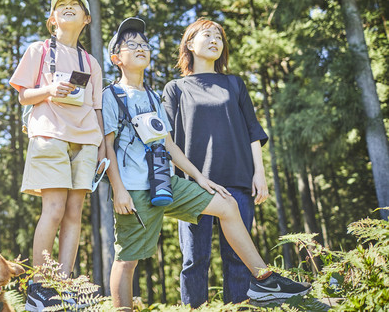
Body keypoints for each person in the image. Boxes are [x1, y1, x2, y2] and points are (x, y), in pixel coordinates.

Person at [103, 17, 310, 311]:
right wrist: (119, 190)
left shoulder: (155, 95)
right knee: (137, 258)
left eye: (144, 45)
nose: (141, 48)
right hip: (139, 187)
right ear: (116, 58)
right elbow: (108, 147)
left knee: (230, 216)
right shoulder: (123, 94)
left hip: (188, 182)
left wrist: (201, 177)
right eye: (132, 45)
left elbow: (167, 143)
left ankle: (263, 280)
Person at [161, 17, 274, 306]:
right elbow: (166, 141)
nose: (215, 41)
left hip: (237, 180)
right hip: (194, 186)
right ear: (189, 44)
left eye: (219, 37)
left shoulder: (234, 84)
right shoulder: (175, 88)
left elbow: (253, 131)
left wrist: (259, 174)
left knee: (237, 259)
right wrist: (194, 177)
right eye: (207, 35)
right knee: (194, 260)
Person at [9, 0, 105, 312]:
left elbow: (97, 108)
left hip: (87, 141)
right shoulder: (38, 51)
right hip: (49, 134)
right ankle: (41, 286)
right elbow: (23, 96)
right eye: (60, 5)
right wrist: (49, 89)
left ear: (86, 18)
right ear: (52, 19)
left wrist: (102, 148)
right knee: (53, 209)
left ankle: (63, 287)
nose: (66, 7)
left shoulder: (91, 62)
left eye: (74, 5)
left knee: (74, 213)